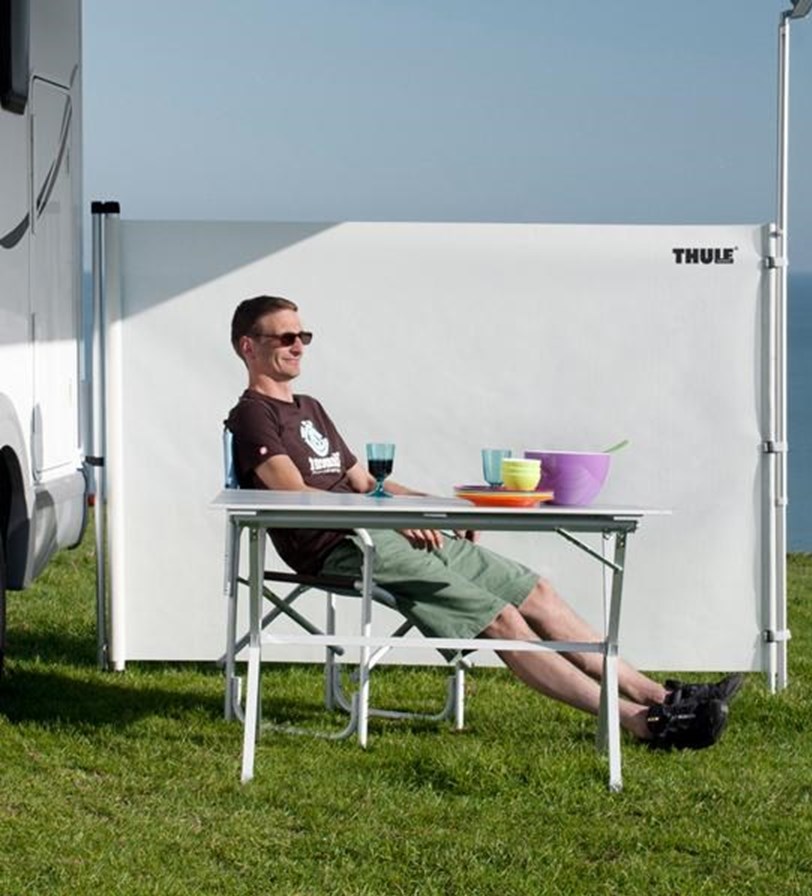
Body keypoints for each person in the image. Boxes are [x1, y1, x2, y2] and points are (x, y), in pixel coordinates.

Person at [226, 295, 743, 750]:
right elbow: (292, 492)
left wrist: (437, 508)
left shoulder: (310, 407)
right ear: (249, 347)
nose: (298, 346)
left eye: (304, 336)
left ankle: (662, 695)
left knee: (535, 592)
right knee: (501, 618)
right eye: (285, 337)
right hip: (341, 545)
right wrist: (392, 520)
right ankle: (639, 722)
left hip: (381, 527)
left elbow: (367, 483)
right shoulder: (252, 414)